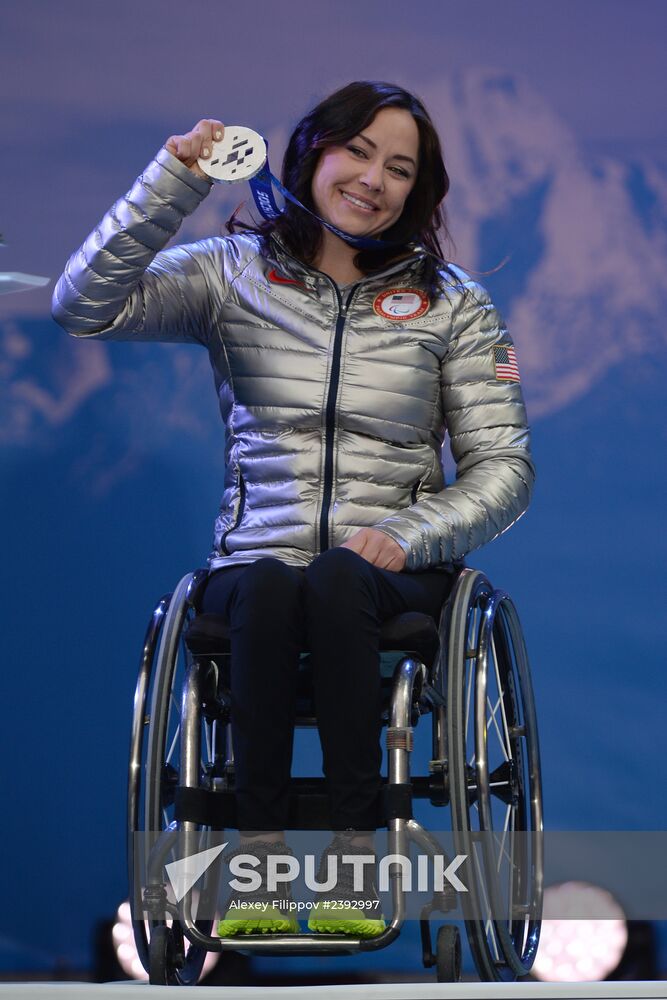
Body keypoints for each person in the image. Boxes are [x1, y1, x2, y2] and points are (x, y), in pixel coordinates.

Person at [52, 80, 534, 938]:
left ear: (415, 193)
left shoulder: (454, 304)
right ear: (312, 153)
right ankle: (257, 867)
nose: (371, 179)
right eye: (357, 151)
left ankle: (358, 860)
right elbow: (85, 306)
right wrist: (176, 177)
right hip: (256, 567)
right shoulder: (232, 275)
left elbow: (502, 469)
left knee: (341, 578)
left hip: (391, 574)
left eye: (398, 167)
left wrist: (403, 533)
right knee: (271, 587)